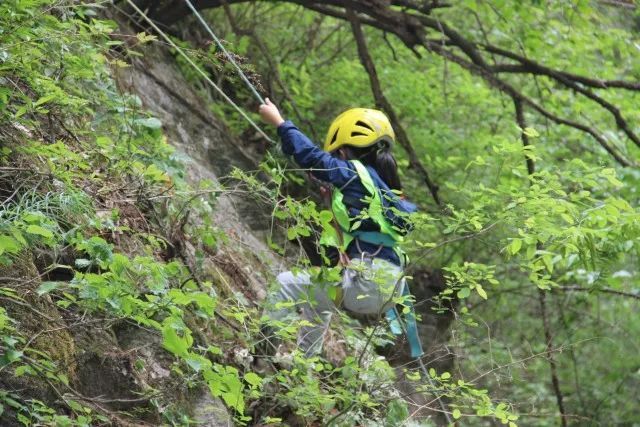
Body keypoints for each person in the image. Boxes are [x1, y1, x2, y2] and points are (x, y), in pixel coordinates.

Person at [258, 99, 417, 357]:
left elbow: (313, 158)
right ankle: (301, 366)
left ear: (343, 152)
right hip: (388, 288)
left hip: (366, 283)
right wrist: (330, 201)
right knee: (318, 293)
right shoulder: (380, 188)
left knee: (285, 283)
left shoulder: (356, 173)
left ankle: (260, 356)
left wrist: (279, 123)